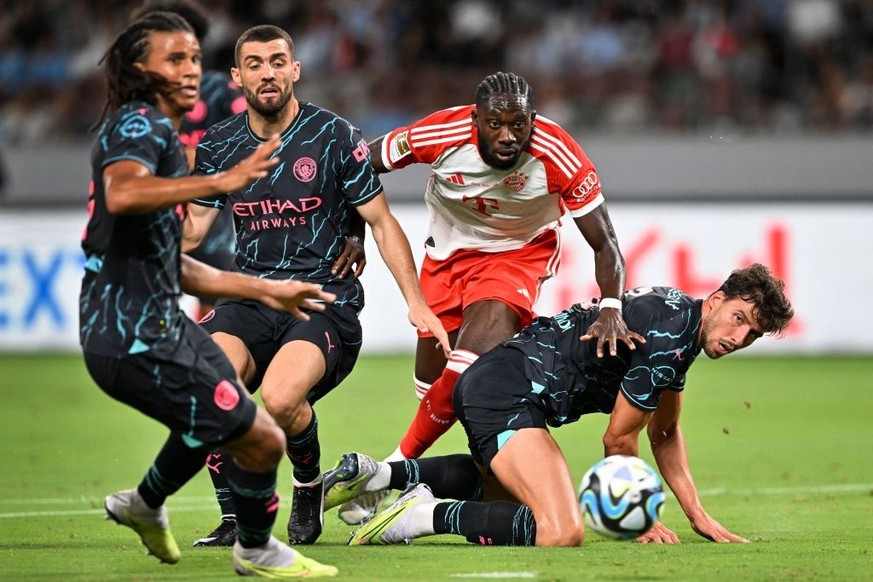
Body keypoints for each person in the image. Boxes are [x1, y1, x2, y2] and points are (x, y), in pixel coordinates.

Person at [80, 12, 338, 577]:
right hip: (129, 334)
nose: (191, 69)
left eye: (194, 57)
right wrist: (218, 182)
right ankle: (253, 548)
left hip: (150, 327)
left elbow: (177, 266)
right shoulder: (141, 128)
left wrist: (267, 290)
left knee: (227, 418)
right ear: (139, 69)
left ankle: (145, 503)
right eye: (174, 59)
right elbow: (122, 194)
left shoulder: (161, 139)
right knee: (261, 436)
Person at [182, 24, 449, 547]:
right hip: (250, 298)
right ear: (238, 76)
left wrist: (415, 303)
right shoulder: (219, 145)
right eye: (255, 63)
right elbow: (192, 227)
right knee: (206, 382)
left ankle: (307, 485)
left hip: (322, 301)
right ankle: (234, 514)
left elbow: (381, 221)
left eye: (278, 61)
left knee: (281, 400)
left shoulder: (333, 136)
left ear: (295, 69)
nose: (268, 72)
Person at [337, 70, 641, 524]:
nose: (507, 136)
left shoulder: (557, 152)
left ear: (532, 120)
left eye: (519, 124)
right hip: (446, 256)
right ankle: (464, 478)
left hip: (516, 258)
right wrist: (353, 231)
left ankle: (385, 476)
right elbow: (356, 163)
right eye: (495, 123)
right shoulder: (439, 132)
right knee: (432, 387)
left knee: (462, 374)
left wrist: (611, 307)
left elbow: (606, 243)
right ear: (474, 119)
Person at [322, 263, 794, 547]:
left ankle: (381, 475)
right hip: (509, 392)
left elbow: (664, 432)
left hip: (499, 381)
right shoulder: (671, 338)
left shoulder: (677, 321)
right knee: (559, 530)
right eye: (739, 319)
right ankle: (413, 518)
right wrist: (639, 516)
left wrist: (697, 514)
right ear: (715, 301)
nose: (738, 338)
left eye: (751, 334)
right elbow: (619, 437)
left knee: (504, 500)